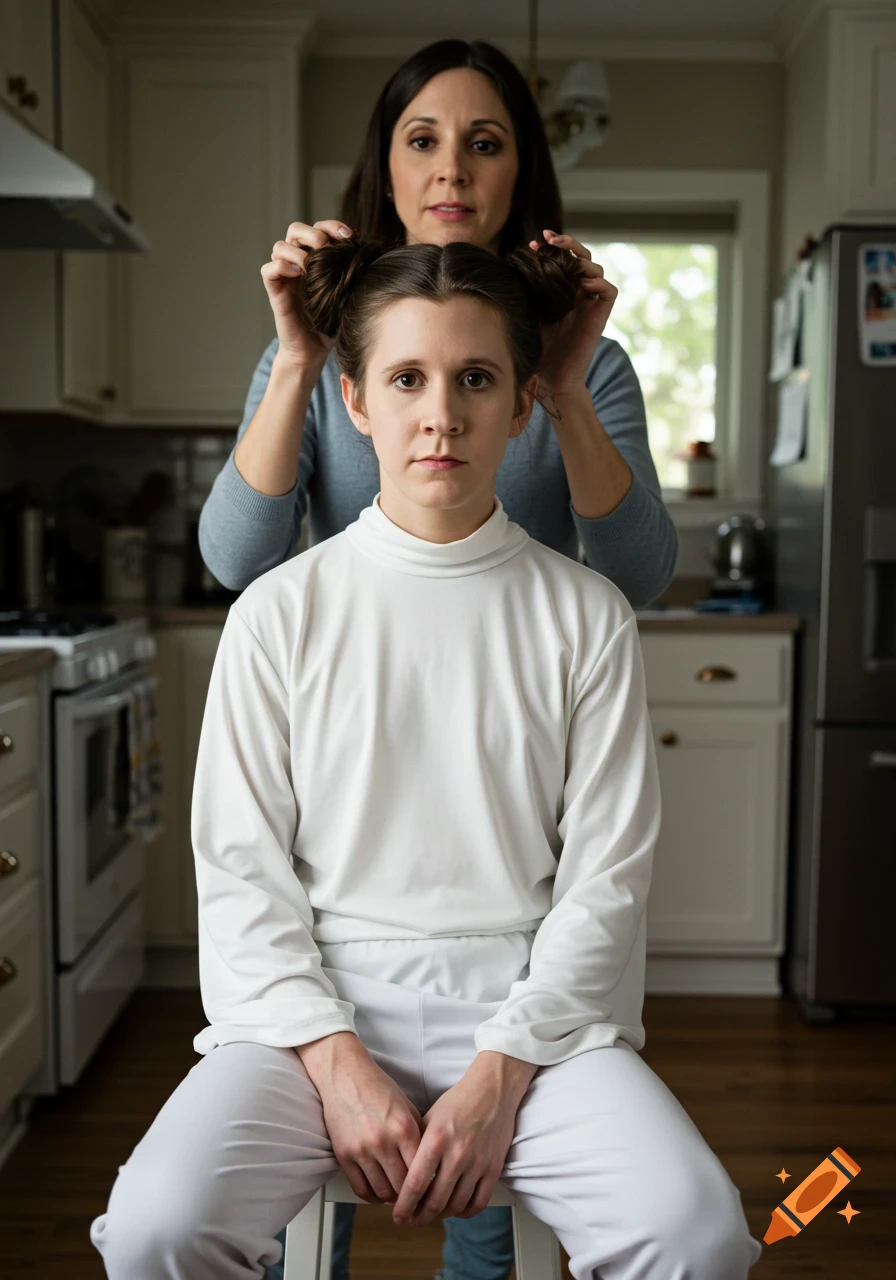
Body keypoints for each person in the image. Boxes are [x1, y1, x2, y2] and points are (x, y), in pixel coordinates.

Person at [196, 38, 682, 1280]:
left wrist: (563, 380)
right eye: (422, 137)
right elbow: (239, 558)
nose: (451, 167)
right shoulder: (318, 353)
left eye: (485, 140)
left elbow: (627, 575)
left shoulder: (578, 362)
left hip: (500, 777)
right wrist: (304, 346)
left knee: (484, 1186)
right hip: (355, 729)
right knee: (334, 1165)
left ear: (522, 169)